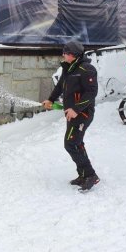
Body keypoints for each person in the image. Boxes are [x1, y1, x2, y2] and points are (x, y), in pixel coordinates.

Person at [42, 40, 100, 191]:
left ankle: (91, 175)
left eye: (65, 53)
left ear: (73, 55)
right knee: (76, 143)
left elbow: (91, 92)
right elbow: (60, 86)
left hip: (83, 113)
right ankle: (83, 175)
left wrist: (76, 108)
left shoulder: (86, 69)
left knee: (71, 143)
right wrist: (50, 99)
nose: (63, 55)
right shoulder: (69, 69)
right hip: (71, 114)